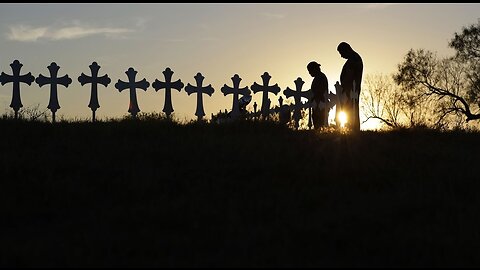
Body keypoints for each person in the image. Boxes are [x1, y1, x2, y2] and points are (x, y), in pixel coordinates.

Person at [337, 41, 363, 131]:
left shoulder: (354, 59)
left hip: (351, 90)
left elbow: (350, 75)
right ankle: (351, 128)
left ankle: (353, 129)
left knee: (351, 110)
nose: (341, 56)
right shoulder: (353, 59)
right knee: (349, 110)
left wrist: (345, 88)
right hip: (348, 90)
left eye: (341, 53)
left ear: (346, 50)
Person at [307, 61, 329, 129]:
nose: (309, 73)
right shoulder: (318, 77)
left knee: (320, 123)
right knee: (317, 123)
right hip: (317, 104)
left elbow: (320, 91)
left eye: (310, 71)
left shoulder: (320, 77)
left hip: (320, 104)